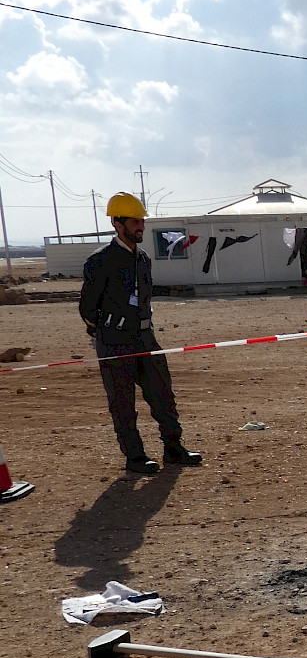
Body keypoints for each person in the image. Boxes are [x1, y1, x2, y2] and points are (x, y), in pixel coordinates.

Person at [79, 193, 203, 475]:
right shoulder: (100, 261)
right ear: (117, 223)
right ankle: (135, 457)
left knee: (163, 395)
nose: (141, 227)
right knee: (123, 404)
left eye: (141, 221)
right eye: (135, 221)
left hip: (146, 338)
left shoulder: (144, 259)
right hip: (114, 343)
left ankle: (173, 448)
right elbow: (87, 309)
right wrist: (108, 332)